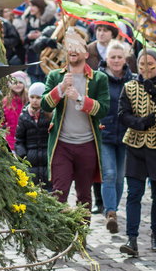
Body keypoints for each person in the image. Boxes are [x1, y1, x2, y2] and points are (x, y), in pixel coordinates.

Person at [40, 27, 109, 216]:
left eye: (78, 46)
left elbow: (103, 109)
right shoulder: (56, 76)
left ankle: (81, 238)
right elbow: (45, 106)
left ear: (86, 53)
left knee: (84, 196)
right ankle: (60, 237)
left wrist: (79, 98)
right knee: (58, 194)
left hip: (87, 145)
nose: (73, 49)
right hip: (62, 145)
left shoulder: (99, 78)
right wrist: (61, 88)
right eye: (70, 45)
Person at [118, 50, 156, 257]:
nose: (146, 69)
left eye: (151, 65)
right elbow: (122, 115)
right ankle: (132, 238)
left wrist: (154, 93)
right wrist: (140, 123)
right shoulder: (129, 86)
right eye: (142, 65)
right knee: (134, 193)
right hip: (135, 145)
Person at [97, 40, 133, 233]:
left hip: (126, 135)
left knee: (120, 178)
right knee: (109, 175)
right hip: (105, 132)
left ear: (125, 58)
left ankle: (114, 209)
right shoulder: (99, 77)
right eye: (113, 57)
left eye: (120, 57)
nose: (116, 60)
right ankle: (110, 213)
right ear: (106, 58)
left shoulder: (132, 79)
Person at [15, 82, 51, 185]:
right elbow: (19, 140)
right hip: (31, 160)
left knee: (50, 189)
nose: (35, 100)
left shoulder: (50, 115)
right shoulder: (24, 116)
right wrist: (22, 156)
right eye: (32, 97)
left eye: (38, 97)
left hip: (47, 159)